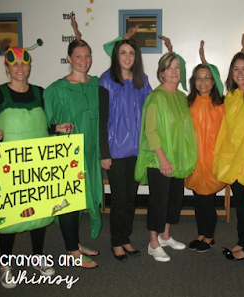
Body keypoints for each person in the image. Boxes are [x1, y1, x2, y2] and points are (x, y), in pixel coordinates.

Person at [0, 46, 68, 288]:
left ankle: (37, 256)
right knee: (9, 217)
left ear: (30, 67)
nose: (20, 68)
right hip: (9, 167)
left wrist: (58, 129)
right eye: (15, 64)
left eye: (24, 63)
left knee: (39, 214)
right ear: (7, 67)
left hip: (37, 167)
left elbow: (46, 127)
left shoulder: (40, 93)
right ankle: (5, 264)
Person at [44, 39, 102, 268]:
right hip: (67, 154)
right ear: (69, 58)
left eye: (87, 55)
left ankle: (75, 243)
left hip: (90, 153)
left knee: (81, 200)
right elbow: (43, 125)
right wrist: (55, 128)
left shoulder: (97, 84)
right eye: (78, 56)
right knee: (68, 200)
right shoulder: (56, 89)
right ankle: (71, 251)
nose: (84, 61)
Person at [135, 52, 197, 262]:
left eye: (177, 67)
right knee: (158, 202)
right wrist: (162, 158)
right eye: (169, 68)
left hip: (177, 159)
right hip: (159, 160)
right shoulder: (156, 97)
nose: (174, 71)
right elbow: (150, 132)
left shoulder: (181, 97)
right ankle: (153, 243)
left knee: (174, 200)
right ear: (161, 73)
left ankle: (165, 236)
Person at [99, 37, 152, 261]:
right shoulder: (106, 80)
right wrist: (104, 153)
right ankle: (116, 242)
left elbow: (151, 110)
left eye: (131, 53)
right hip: (115, 150)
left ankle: (126, 238)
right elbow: (102, 120)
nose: (128, 57)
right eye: (123, 53)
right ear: (116, 55)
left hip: (136, 150)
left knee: (131, 198)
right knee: (119, 198)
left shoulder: (142, 80)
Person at [213, 32, 244, 261]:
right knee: (241, 205)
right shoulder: (230, 96)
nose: (240, 74)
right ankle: (243, 242)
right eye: (236, 69)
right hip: (234, 158)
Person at [185, 41, 225, 252]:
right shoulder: (188, 103)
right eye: (199, 78)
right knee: (198, 200)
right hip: (194, 160)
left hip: (212, 160)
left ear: (213, 81)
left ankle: (209, 236)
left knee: (208, 201)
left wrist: (204, 59)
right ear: (194, 81)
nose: (203, 81)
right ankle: (201, 233)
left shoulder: (221, 104)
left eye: (207, 77)